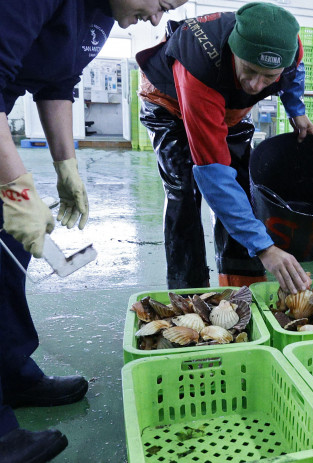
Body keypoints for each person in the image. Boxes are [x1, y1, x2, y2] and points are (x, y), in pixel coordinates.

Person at [0, 1, 187, 461]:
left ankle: (12, 375)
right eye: (161, 3)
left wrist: (67, 168)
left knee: (9, 250)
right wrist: (16, 189)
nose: (157, 19)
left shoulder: (104, 14)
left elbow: (57, 82)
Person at [137, 2, 313, 293]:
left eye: (269, 77)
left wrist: (296, 109)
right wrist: (265, 248)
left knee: (243, 189)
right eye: (251, 70)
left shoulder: (287, 44)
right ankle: (189, 291)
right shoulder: (198, 67)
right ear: (235, 50)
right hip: (169, 103)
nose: (257, 86)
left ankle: (243, 282)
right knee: (184, 192)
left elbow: (294, 72)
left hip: (228, 105)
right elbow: (214, 173)